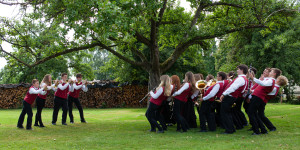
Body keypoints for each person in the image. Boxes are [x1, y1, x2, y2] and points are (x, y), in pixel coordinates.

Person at [248, 68, 281, 135]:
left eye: (271, 71)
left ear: (274, 74)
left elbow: (263, 84)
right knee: (254, 113)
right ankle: (263, 130)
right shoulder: (269, 80)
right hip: (257, 96)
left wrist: (253, 78)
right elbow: (261, 86)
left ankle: (257, 131)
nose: (270, 72)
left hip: (258, 97)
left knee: (251, 113)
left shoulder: (271, 80)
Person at [220, 64, 249, 134]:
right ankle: (231, 128)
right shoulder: (244, 79)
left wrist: (224, 94)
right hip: (233, 97)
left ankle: (229, 129)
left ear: (242, 70)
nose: (237, 70)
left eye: (238, 69)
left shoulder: (241, 79)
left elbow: (233, 87)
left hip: (230, 96)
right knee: (228, 113)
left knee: (225, 113)